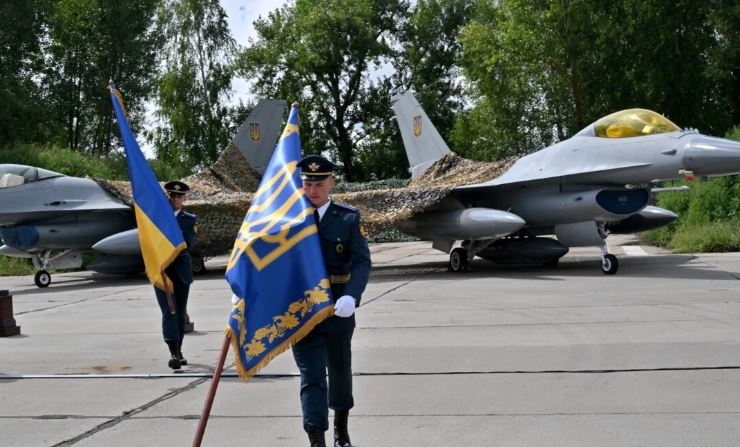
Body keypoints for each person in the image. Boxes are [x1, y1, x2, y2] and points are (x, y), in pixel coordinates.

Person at [292, 155, 372, 447]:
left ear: (331, 183)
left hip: (338, 308)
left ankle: (341, 428)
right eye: (307, 183)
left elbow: (362, 262)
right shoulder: (290, 219)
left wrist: (352, 294)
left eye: (319, 183)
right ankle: (316, 438)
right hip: (301, 311)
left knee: (339, 370)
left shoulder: (348, 218)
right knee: (311, 376)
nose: (313, 190)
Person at [155, 180, 197, 370]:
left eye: (179, 196)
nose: (176, 199)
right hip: (163, 270)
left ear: (185, 198)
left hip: (181, 270)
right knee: (168, 311)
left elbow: (188, 243)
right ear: (168, 197)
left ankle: (179, 350)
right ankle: (173, 352)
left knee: (179, 312)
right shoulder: (157, 218)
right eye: (172, 195)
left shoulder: (189, 219)